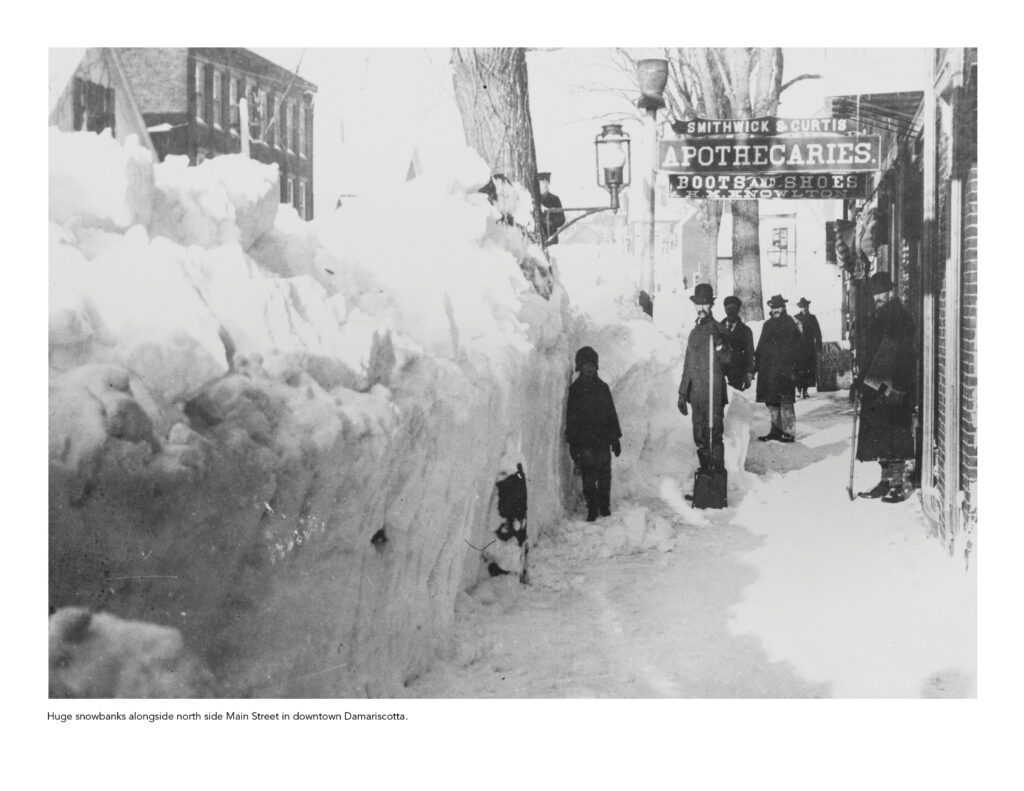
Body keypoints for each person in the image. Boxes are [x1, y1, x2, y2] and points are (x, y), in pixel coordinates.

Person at [856, 271, 917, 503]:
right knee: (880, 436)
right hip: (875, 385)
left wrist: (900, 388)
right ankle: (885, 481)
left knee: (895, 435)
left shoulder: (901, 317)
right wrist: (860, 381)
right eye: (874, 293)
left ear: (891, 291)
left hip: (893, 387)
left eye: (881, 291)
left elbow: (906, 356)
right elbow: (871, 354)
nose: (877, 296)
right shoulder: (879, 316)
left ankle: (898, 485)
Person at [677, 284, 732, 470]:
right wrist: (682, 393)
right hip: (697, 394)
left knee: (714, 436)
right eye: (698, 304)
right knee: (699, 436)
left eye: (705, 304)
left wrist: (719, 345)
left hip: (713, 392)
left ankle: (717, 481)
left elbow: (728, 359)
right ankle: (706, 478)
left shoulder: (719, 329)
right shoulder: (694, 332)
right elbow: (688, 364)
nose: (701, 308)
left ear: (711, 305)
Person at [566, 346, 622, 521]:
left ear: (597, 367)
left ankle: (604, 506)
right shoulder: (575, 390)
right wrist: (573, 442)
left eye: (592, 365)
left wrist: (615, 439)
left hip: (603, 439)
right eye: (585, 365)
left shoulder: (602, 387)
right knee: (588, 474)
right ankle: (592, 507)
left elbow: (611, 414)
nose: (589, 368)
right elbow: (571, 417)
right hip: (585, 441)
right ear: (579, 367)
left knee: (604, 473)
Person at [754, 294, 802, 442]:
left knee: (786, 401)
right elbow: (761, 346)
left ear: (784, 307)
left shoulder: (791, 323)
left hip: (786, 370)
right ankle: (775, 431)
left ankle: (788, 432)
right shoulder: (767, 325)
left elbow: (798, 348)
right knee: (772, 403)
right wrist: (756, 364)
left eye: (778, 307)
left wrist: (796, 368)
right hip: (769, 370)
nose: (775, 310)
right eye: (773, 307)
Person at [721, 295, 755, 391]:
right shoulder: (718, 329)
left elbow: (750, 353)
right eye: (728, 308)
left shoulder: (746, 331)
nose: (731, 311)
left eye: (734, 308)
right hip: (720, 373)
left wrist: (749, 373)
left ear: (739, 310)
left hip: (737, 373)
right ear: (725, 309)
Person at [794, 298, 823, 398]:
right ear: (800, 307)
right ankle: (798, 389)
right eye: (802, 307)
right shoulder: (795, 318)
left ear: (808, 307)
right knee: (798, 369)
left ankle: (805, 390)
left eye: (805, 306)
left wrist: (819, 346)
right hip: (798, 349)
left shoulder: (812, 318)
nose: (804, 308)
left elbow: (817, 333)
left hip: (809, 348)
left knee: (808, 370)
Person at [538, 172, 565, 244]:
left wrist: (551, 223)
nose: (545, 185)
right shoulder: (534, 199)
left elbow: (562, 218)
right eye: (542, 182)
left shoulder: (555, 199)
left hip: (551, 238)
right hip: (538, 238)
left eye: (547, 182)